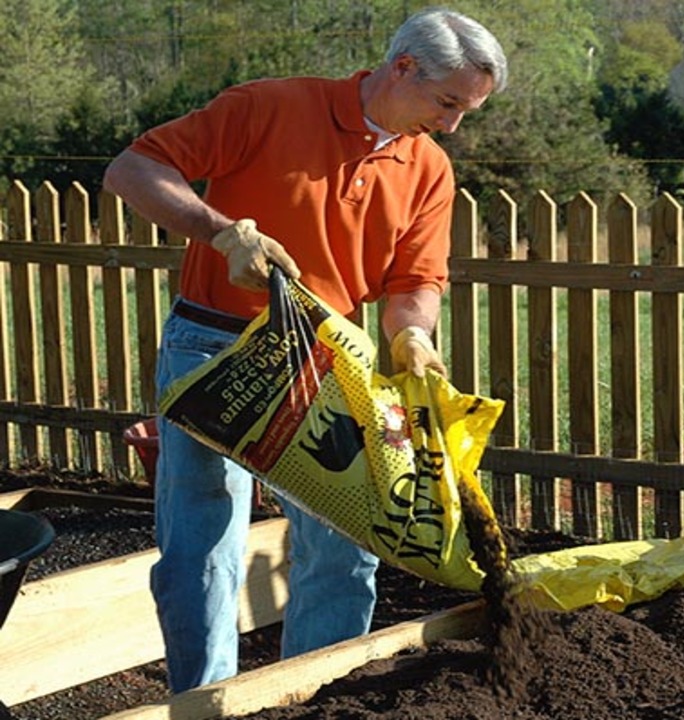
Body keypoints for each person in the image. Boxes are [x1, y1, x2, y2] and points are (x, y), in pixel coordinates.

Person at [102, 7, 507, 693]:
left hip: (327, 361)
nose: (453, 125)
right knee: (203, 546)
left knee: (346, 548)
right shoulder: (269, 107)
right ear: (403, 66)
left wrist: (412, 332)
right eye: (447, 103)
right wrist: (222, 232)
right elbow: (132, 169)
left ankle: (315, 699)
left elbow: (415, 279)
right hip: (213, 348)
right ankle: (202, 702)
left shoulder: (429, 169)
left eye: (466, 110)